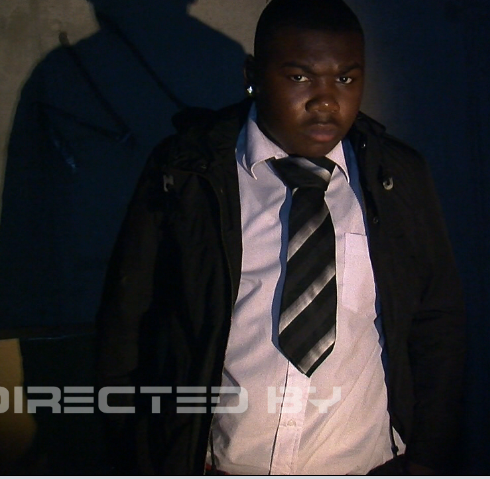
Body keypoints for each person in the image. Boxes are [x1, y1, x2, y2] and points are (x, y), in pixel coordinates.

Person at [96, 0, 465, 474]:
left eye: (345, 78)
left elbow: (437, 325)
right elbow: (126, 325)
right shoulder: (188, 172)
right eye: (300, 77)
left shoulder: (395, 177)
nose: (326, 101)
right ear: (253, 75)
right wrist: (139, 456)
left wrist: (427, 461)